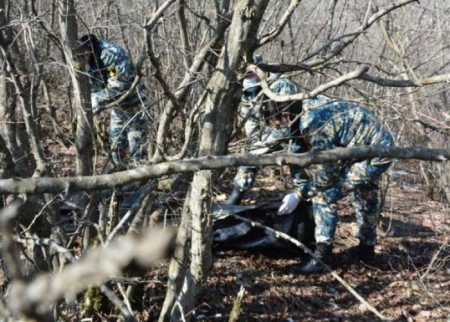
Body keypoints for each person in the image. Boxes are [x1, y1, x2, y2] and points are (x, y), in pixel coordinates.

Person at [275, 95, 394, 274]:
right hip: (366, 146)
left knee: (324, 194)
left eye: (276, 124)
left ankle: (321, 257)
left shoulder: (312, 122)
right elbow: (298, 149)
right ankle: (367, 249)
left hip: (376, 151)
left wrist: (300, 194)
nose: (276, 129)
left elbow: (329, 175)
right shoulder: (303, 107)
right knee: (365, 195)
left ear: (285, 115)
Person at [225, 54, 306, 205]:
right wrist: (255, 146)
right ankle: (236, 196)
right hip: (267, 134)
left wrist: (262, 148)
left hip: (294, 133)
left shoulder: (281, 85)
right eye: (246, 74)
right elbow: (250, 123)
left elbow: (285, 124)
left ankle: (302, 197)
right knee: (249, 157)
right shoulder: (246, 92)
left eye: (251, 73)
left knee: (296, 161)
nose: (249, 77)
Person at [76, 34, 150, 169]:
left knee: (137, 148)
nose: (81, 61)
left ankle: (142, 180)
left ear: (87, 51)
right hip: (118, 107)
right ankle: (119, 178)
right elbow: (88, 82)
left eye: (83, 57)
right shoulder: (81, 59)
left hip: (135, 104)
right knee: (116, 147)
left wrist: (96, 99)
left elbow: (118, 86)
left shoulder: (110, 55)